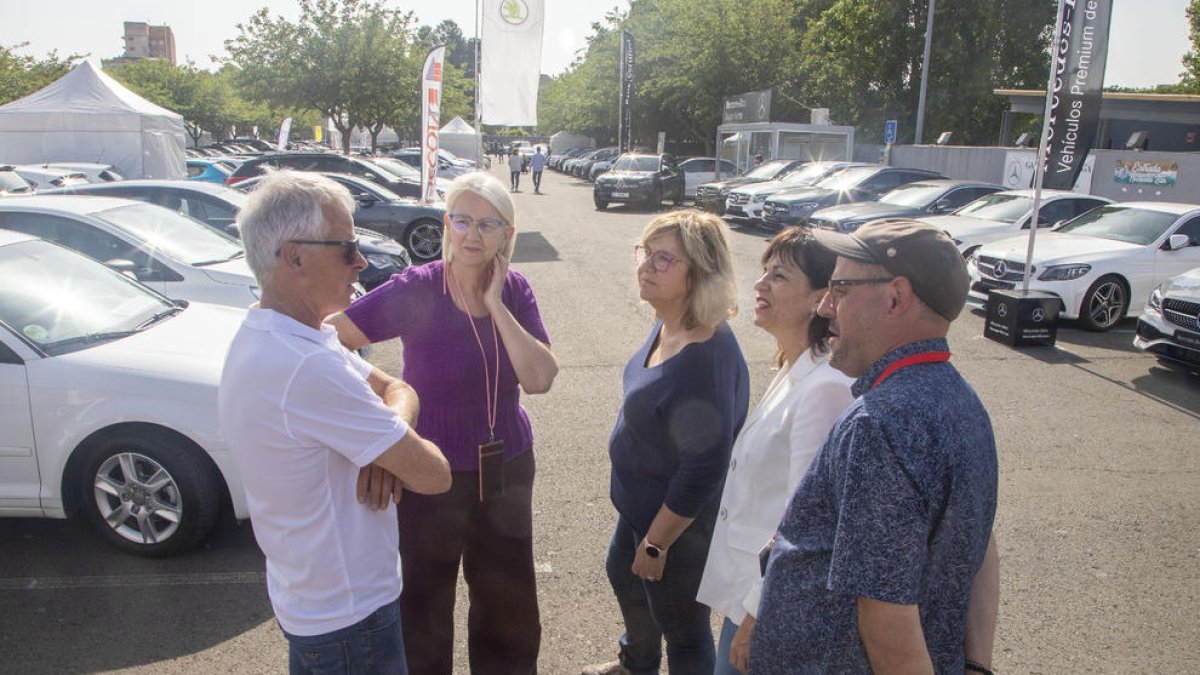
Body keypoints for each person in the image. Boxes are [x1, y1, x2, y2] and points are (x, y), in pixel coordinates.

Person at [218, 170, 452, 674]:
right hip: (350, 621)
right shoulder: (305, 365)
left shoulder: (295, 335)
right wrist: (394, 448)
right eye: (347, 248)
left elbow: (399, 389)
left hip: (320, 603)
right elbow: (434, 474)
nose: (362, 261)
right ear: (294, 256)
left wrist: (386, 443)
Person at [328, 171, 559, 675]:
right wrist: (384, 424)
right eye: (461, 220)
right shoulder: (418, 288)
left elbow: (539, 379)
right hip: (429, 471)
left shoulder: (515, 290)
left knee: (508, 604)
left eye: (488, 224)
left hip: (506, 467)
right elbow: (331, 339)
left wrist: (495, 304)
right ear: (446, 224)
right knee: (424, 607)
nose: (472, 235)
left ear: (507, 236)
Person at [749, 220, 1000, 674]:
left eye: (840, 288)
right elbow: (980, 547)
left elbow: (888, 623)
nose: (825, 307)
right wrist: (977, 665)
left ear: (896, 297)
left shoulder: (881, 424)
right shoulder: (961, 401)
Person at [584, 210, 750, 675]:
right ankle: (637, 662)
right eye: (645, 252)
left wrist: (657, 544)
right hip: (642, 507)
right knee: (623, 573)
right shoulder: (670, 321)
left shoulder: (705, 357)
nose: (646, 266)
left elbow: (704, 468)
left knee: (684, 632)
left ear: (698, 272)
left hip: (677, 528)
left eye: (663, 259)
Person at [696, 227, 854, 675]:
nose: (759, 284)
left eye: (779, 276)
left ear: (821, 298)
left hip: (767, 604)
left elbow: (806, 519)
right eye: (764, 271)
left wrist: (754, 615)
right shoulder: (795, 365)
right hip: (748, 591)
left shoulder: (824, 387)